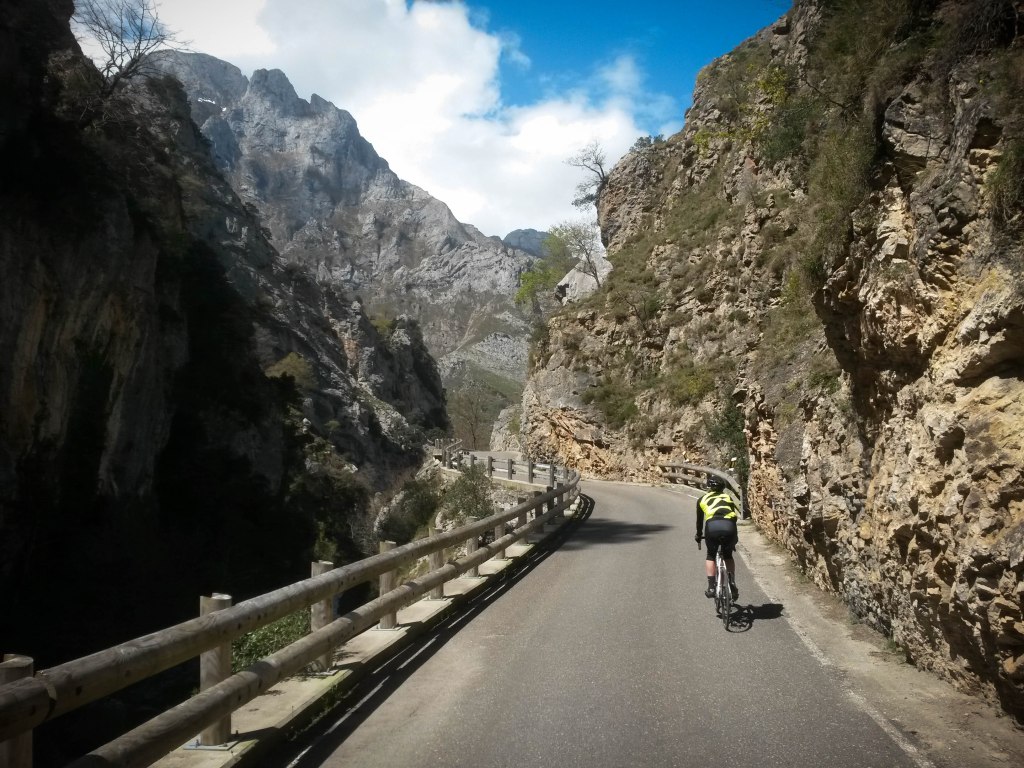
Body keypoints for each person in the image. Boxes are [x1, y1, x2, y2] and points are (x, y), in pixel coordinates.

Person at [694, 475, 740, 600]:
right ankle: (731, 582)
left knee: (711, 555)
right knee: (728, 555)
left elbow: (699, 522)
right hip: (729, 527)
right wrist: (733, 539)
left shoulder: (702, 499)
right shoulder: (727, 497)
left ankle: (711, 587)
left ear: (709, 487)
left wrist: (698, 535)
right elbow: (734, 517)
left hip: (712, 527)